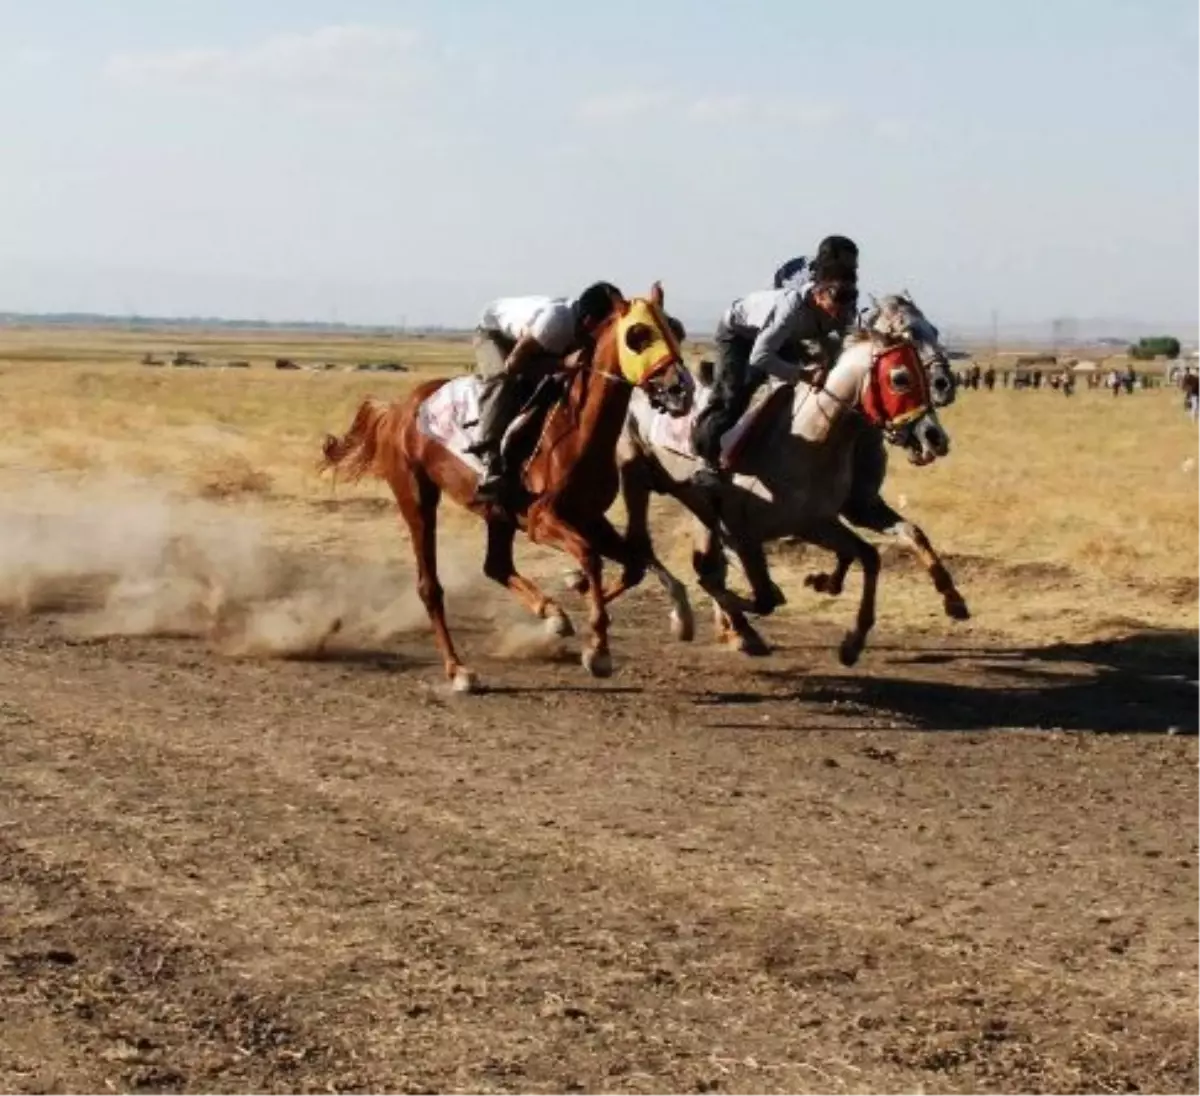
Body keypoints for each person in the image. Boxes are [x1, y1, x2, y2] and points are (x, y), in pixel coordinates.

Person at [690, 264, 858, 490]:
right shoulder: (788, 309)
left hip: (785, 339)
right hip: (739, 335)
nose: (842, 308)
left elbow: (832, 340)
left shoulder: (841, 307)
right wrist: (803, 374)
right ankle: (706, 460)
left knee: (790, 389)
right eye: (837, 301)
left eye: (849, 300)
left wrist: (825, 363)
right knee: (733, 396)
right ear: (819, 294)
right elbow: (760, 357)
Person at [466, 282, 620, 502]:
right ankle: (489, 461)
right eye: (607, 324)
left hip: (532, 342)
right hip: (495, 335)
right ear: (589, 322)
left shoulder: (583, 325)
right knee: (502, 381)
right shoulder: (554, 324)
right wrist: (563, 362)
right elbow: (515, 365)